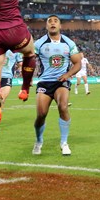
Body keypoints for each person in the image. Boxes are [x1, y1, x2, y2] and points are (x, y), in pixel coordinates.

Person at [31, 15, 82, 156]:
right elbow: (29, 61)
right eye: (50, 21)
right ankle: (39, 141)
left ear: (60, 26)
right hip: (44, 82)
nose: (52, 23)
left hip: (61, 81)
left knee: (63, 106)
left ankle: (64, 143)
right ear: (46, 26)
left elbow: (78, 63)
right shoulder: (39, 43)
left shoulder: (68, 43)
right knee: (41, 114)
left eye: (55, 21)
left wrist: (68, 75)